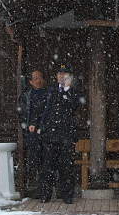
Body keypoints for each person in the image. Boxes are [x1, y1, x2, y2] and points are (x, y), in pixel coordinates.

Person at [34, 65, 81, 204]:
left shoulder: (74, 91)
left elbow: (73, 106)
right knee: (47, 166)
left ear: (69, 77)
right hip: (49, 135)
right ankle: (45, 194)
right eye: (59, 74)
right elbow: (44, 110)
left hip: (66, 135)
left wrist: (66, 90)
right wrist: (41, 128)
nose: (61, 76)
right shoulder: (50, 90)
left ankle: (67, 195)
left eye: (64, 74)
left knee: (66, 167)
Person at [16, 69, 47, 197]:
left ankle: (46, 189)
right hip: (32, 134)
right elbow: (22, 113)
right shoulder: (26, 96)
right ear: (30, 82)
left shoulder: (49, 94)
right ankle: (35, 188)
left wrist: (43, 126)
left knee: (47, 161)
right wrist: (28, 125)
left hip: (46, 133)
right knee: (34, 160)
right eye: (35, 78)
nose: (38, 80)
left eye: (40, 77)